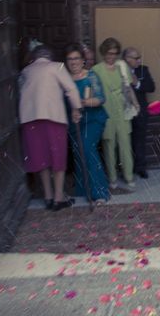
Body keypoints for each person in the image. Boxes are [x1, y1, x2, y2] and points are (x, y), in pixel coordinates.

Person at [19, 44, 81, 211]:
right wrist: (76, 108)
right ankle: (58, 198)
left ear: (35, 57)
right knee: (58, 157)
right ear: (50, 57)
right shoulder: (57, 66)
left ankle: (48, 196)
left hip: (30, 120)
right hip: (52, 118)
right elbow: (71, 88)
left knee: (41, 158)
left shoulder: (27, 70)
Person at [65, 43, 110, 205]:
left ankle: (99, 192)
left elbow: (100, 98)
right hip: (75, 121)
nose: (73, 62)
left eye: (76, 58)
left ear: (83, 60)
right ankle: (83, 189)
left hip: (94, 119)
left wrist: (82, 103)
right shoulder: (64, 78)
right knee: (78, 152)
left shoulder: (90, 76)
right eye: (70, 59)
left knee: (87, 148)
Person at [92, 38, 138, 190]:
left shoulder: (122, 66)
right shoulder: (96, 69)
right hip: (105, 109)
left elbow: (129, 86)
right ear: (103, 52)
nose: (111, 56)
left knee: (125, 144)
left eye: (115, 53)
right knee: (109, 144)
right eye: (108, 53)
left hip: (122, 108)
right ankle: (112, 178)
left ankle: (129, 177)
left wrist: (135, 102)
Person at [123, 47, 155, 179]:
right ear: (127, 59)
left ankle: (141, 167)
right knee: (125, 140)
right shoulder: (118, 70)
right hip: (123, 110)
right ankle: (125, 168)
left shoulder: (143, 70)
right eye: (136, 58)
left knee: (140, 140)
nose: (139, 60)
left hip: (140, 111)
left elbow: (151, 87)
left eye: (139, 57)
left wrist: (137, 84)